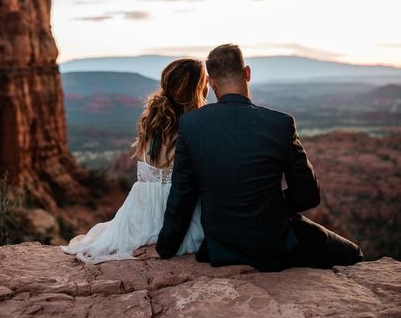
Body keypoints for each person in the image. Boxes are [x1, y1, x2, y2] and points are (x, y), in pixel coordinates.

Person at [154, 44, 364, 271]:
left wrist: (165, 248)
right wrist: (269, 205)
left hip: (221, 246)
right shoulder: (280, 124)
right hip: (274, 243)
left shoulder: (192, 124)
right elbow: (308, 195)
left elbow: (182, 194)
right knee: (353, 254)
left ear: (211, 83)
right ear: (247, 73)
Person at [61, 58, 206, 263]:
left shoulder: (150, 119)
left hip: (139, 217)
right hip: (175, 217)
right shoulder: (195, 127)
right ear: (198, 88)